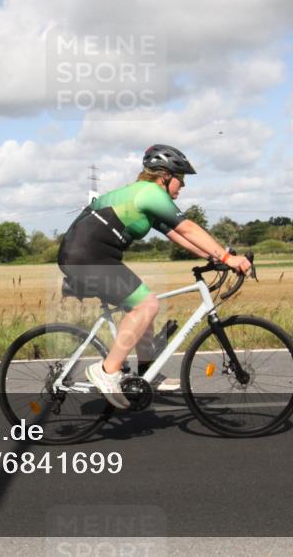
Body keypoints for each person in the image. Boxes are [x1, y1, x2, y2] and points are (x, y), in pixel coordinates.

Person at [58, 144, 251, 409]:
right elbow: (190, 228)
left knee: (144, 305)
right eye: (180, 180)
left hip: (93, 256)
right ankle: (107, 370)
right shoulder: (150, 193)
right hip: (86, 257)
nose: (182, 186)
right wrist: (229, 259)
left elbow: (178, 235)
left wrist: (215, 257)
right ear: (164, 176)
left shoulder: (146, 198)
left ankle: (148, 371)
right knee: (146, 304)